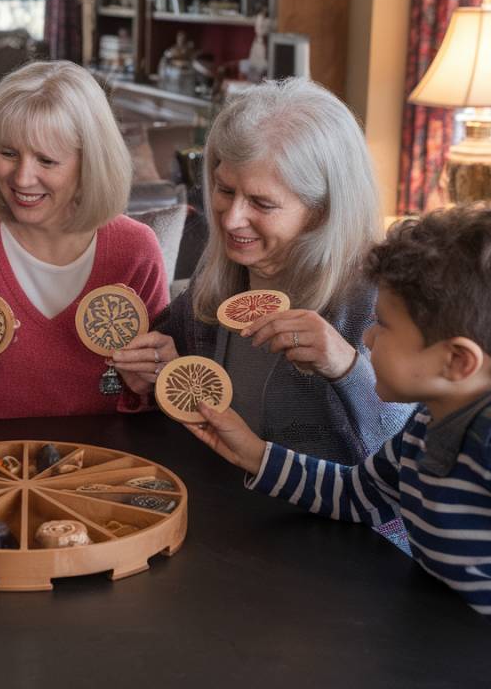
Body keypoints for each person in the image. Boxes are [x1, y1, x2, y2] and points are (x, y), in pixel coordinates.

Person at [186, 204, 491, 667]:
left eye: (384, 324)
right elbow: (361, 495)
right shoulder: (427, 424)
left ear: (457, 361)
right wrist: (256, 455)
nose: (368, 337)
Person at [116, 77, 412, 465]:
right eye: (224, 190)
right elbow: (179, 393)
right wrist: (153, 375)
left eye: (262, 203)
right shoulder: (222, 272)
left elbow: (410, 454)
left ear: (322, 209)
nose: (232, 219)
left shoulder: (381, 297)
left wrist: (346, 368)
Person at [0, 61, 168, 418]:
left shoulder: (136, 250)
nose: (22, 178)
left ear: (89, 164)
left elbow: (156, 405)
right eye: (8, 153)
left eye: (47, 161)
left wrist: (144, 385)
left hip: (104, 462)